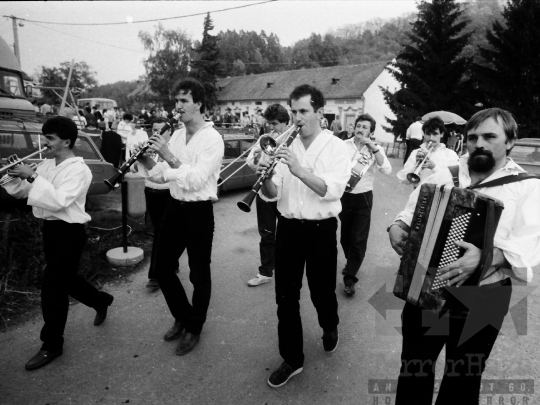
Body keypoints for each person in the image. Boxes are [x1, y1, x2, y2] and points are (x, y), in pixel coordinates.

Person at [388, 108, 540, 404]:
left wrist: (486, 257)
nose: (478, 143)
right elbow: (411, 208)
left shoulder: (528, 187)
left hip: (484, 296)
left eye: (489, 136)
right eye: (472, 137)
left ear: (510, 142)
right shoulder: (448, 173)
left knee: (464, 379)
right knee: (414, 370)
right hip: (428, 283)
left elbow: (530, 245)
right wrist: (397, 225)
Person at [2, 116, 115, 371]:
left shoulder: (79, 170)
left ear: (66, 141)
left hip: (70, 232)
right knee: (66, 279)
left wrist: (31, 176)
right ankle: (100, 300)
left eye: (50, 138)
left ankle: (51, 344)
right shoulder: (46, 165)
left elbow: (59, 201)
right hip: (50, 230)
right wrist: (14, 176)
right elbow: (26, 193)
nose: (45, 143)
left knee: (52, 286)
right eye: (45, 137)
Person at [259, 84, 351, 388]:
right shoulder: (286, 144)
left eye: (303, 111)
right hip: (288, 228)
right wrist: (264, 180)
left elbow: (332, 190)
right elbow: (275, 195)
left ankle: (330, 325)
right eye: (294, 111)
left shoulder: (337, 147)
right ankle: (292, 359)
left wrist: (298, 170)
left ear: (319, 112)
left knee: (321, 291)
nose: (297, 118)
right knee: (285, 297)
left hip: (320, 230)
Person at [133, 78, 224, 356]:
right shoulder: (176, 134)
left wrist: (169, 157)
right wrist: (146, 160)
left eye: (184, 101)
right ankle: (184, 315)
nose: (178, 106)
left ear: (199, 104)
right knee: (161, 268)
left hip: (198, 211)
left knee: (198, 274)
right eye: (176, 101)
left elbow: (195, 180)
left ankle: (195, 327)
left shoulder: (212, 139)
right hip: (174, 207)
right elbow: (162, 174)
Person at [339, 114, 392, 296]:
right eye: (358, 126)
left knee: (359, 238)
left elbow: (386, 170)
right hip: (344, 197)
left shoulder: (374, 149)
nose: (360, 129)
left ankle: (350, 277)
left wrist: (373, 148)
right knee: (345, 238)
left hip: (363, 198)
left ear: (371, 132)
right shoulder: (343, 145)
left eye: (364, 127)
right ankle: (352, 262)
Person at [245, 104, 290, 287]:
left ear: (286, 123)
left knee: (287, 234)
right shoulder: (265, 138)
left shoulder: (294, 140)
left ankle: (287, 268)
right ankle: (265, 272)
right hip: (265, 192)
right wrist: (256, 158)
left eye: (275, 124)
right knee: (267, 234)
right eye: (269, 124)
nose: (271, 128)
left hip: (285, 194)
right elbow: (249, 162)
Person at [130, 117, 173, 292]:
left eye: (161, 130)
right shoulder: (148, 147)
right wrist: (139, 159)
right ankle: (171, 265)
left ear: (169, 132)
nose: (156, 133)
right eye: (154, 129)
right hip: (151, 193)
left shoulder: (172, 150)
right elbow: (134, 169)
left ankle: (154, 275)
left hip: (167, 194)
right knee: (160, 232)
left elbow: (169, 174)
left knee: (161, 235)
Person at [397, 117, 459, 186]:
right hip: (418, 194)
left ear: (442, 134)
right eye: (428, 134)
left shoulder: (451, 154)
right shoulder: (416, 152)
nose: (431, 138)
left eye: (435, 134)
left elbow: (452, 181)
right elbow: (402, 179)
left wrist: (434, 167)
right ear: (424, 134)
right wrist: (415, 167)